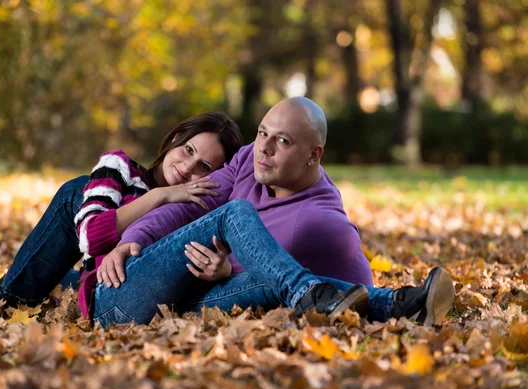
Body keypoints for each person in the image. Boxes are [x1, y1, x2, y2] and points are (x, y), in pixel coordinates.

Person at [90, 97, 455, 327]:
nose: (262, 148)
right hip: (123, 291)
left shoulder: (319, 221)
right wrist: (131, 238)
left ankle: (401, 304)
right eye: (262, 133)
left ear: (313, 155)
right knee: (238, 216)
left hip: (186, 303)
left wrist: (226, 270)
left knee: (277, 283)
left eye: (281, 141)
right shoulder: (250, 158)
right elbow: (190, 203)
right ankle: (310, 292)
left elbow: (355, 284)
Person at [0, 112, 245, 311]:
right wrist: (160, 196)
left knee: (68, 271)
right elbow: (89, 238)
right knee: (78, 190)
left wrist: (225, 269)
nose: (187, 167)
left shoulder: (200, 211)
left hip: (118, 292)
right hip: (93, 270)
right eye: (188, 150)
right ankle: (10, 293)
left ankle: (32, 287)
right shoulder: (120, 168)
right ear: (175, 139)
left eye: (204, 167)